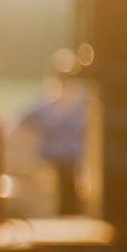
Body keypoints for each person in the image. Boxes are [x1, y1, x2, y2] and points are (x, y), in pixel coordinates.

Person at [17, 53, 87, 216]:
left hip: (75, 164)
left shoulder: (83, 107)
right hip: (49, 164)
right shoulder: (43, 106)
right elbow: (20, 125)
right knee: (56, 183)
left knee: (71, 184)